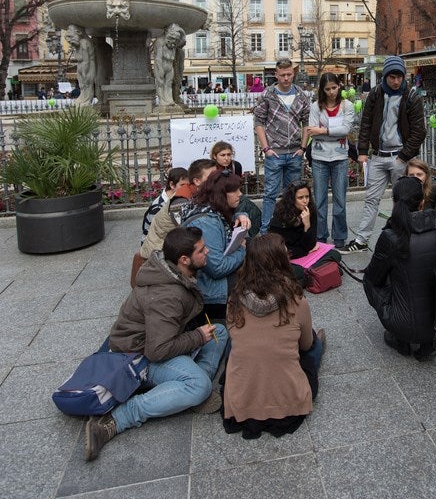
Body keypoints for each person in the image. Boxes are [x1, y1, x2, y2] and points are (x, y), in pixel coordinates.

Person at [84, 226, 228, 461]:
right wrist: (197, 337)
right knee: (200, 385)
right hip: (138, 356)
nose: (208, 251)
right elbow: (157, 350)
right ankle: (116, 420)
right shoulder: (166, 296)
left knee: (219, 332)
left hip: (157, 340)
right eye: (202, 250)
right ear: (184, 259)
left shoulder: (174, 272)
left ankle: (185, 394)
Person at [222, 233, 325, 440]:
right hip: (288, 404)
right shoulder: (297, 301)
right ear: (282, 262)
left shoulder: (234, 298)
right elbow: (305, 346)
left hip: (241, 406)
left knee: (233, 347)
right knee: (313, 344)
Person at [340, 55, 426, 254]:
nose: (396, 81)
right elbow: (366, 123)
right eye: (392, 77)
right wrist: (362, 151)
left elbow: (419, 131)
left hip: (399, 156)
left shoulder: (412, 96)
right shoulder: (376, 94)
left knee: (403, 200)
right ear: (385, 76)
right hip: (378, 156)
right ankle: (362, 241)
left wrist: (404, 156)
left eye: (399, 77)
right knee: (371, 198)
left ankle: (403, 238)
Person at [363, 177, 436, 360]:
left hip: (404, 324)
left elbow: (373, 278)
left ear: (394, 202)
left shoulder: (391, 236)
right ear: (422, 202)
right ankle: (428, 342)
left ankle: (401, 338)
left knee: (370, 278)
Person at [180, 169, 249, 320]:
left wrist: (240, 215)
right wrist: (242, 250)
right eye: (234, 191)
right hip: (210, 293)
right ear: (221, 194)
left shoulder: (209, 208)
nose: (240, 194)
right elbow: (217, 268)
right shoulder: (207, 223)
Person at [254, 58, 310, 232]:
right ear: (276, 74)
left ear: (293, 73)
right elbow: (258, 122)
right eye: (283, 75)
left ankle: (291, 229)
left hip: (294, 152)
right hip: (275, 153)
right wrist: (266, 148)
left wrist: (302, 148)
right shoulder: (268, 94)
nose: (286, 78)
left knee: (293, 195)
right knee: (270, 194)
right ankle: (266, 231)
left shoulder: (301, 95)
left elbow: (307, 123)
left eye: (289, 74)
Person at [307, 73, 355, 247]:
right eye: (327, 89)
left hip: (340, 157)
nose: (331, 92)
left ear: (339, 86)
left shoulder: (347, 106)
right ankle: (320, 235)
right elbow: (312, 130)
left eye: (334, 88)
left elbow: (346, 130)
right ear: (322, 90)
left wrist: (324, 131)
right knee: (319, 200)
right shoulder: (315, 107)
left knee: (340, 201)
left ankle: (339, 236)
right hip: (319, 157)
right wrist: (332, 131)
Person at [140, 159, 216, 259]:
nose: (218, 179)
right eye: (212, 177)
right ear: (197, 181)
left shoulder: (201, 193)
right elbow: (184, 233)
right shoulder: (180, 202)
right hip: (159, 254)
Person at [141, 167, 189, 244]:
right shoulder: (158, 207)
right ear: (172, 185)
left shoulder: (181, 200)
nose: (186, 188)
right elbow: (157, 238)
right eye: (182, 185)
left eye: (187, 185)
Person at [154, 24, 186, 107]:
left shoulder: (172, 45)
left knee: (168, 83)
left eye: (176, 40)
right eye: (173, 39)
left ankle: (169, 99)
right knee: (160, 83)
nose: (174, 42)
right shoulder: (160, 41)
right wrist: (160, 68)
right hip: (161, 65)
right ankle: (162, 101)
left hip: (169, 66)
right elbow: (158, 58)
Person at [66, 25, 96, 105]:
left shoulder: (84, 43)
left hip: (87, 65)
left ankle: (86, 101)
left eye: (71, 37)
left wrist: (84, 72)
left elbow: (86, 60)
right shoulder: (78, 45)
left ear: (78, 33)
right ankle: (83, 98)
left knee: (87, 83)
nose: (70, 41)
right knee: (82, 84)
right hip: (81, 65)